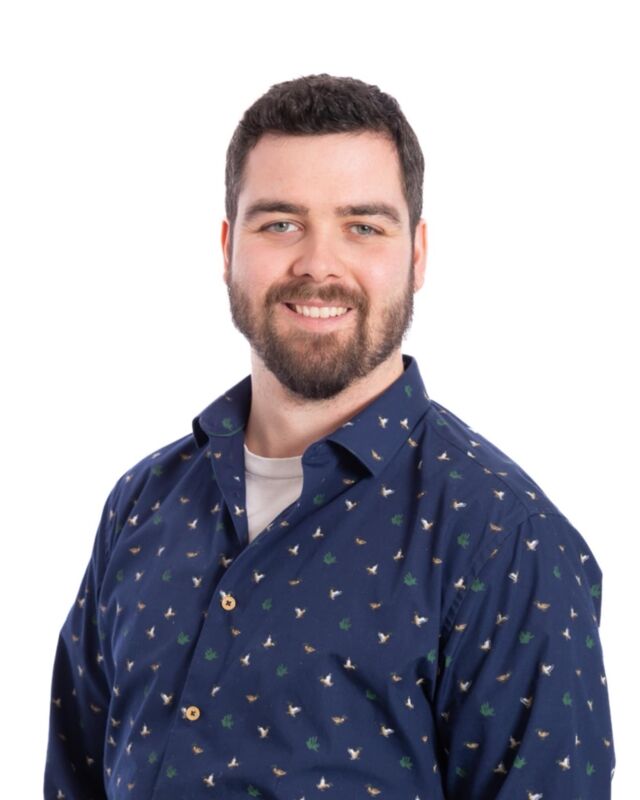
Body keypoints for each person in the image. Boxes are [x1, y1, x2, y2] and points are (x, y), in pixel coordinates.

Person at [44, 73, 616, 799]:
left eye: (363, 226)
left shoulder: (506, 539)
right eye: (280, 224)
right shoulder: (142, 504)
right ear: (228, 246)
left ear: (417, 255)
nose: (318, 264)